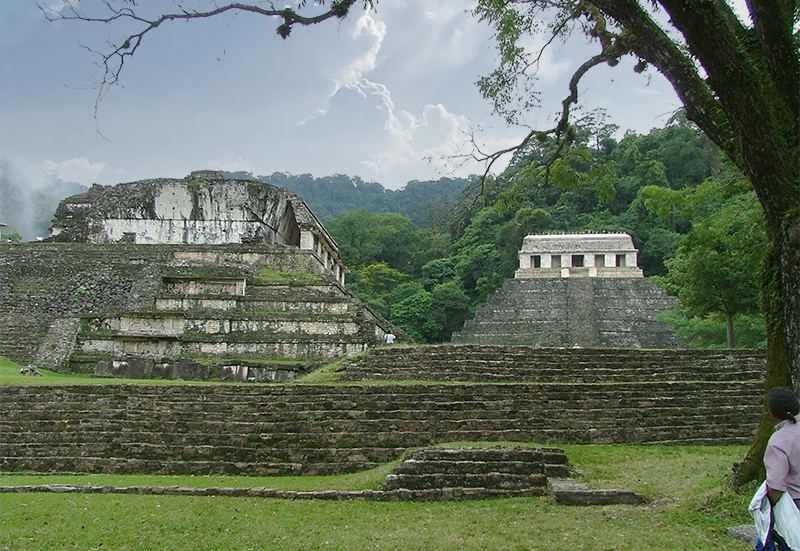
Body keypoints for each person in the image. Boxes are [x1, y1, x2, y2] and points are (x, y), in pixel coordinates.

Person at [759, 387, 800, 550]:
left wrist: (771, 508)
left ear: (772, 414)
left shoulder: (779, 441)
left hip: (795, 504)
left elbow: (775, 486)